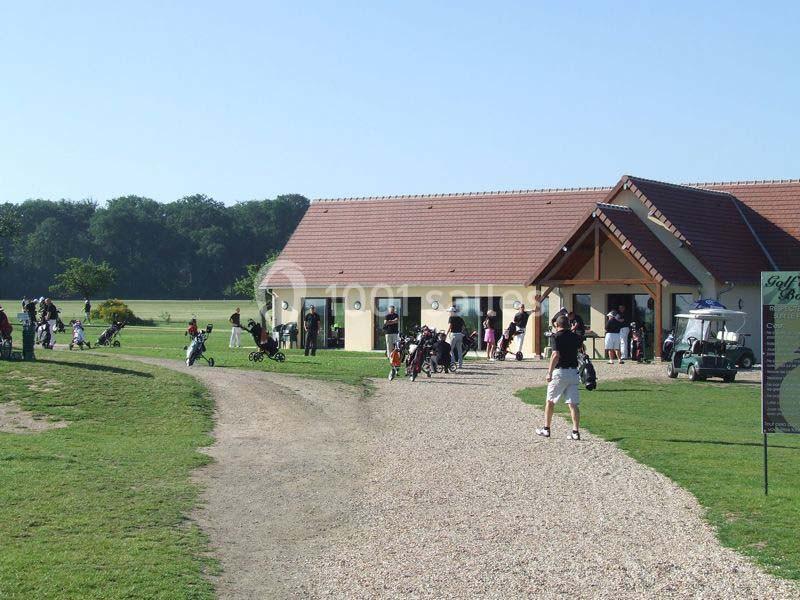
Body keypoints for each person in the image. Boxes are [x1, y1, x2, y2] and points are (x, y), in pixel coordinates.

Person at [536, 314, 583, 440]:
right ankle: (575, 432)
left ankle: (546, 429)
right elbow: (580, 348)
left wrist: (549, 372)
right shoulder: (575, 337)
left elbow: (555, 355)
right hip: (573, 372)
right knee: (573, 404)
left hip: (560, 372)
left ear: (557, 325)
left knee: (550, 401)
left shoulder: (556, 337)